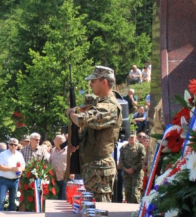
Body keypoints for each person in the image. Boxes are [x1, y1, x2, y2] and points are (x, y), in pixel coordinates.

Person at [66, 66, 122, 202]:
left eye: (93, 81)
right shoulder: (101, 104)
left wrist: (70, 113)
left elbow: (81, 119)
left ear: (104, 82)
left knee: (99, 210)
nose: (90, 84)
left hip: (99, 168)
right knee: (91, 212)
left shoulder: (110, 106)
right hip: (94, 167)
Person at [0, 138, 25, 217]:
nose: (13, 146)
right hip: (4, 180)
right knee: (1, 200)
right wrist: (12, 168)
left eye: (15, 145)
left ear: (17, 145)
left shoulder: (19, 154)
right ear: (8, 145)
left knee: (12, 201)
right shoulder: (3, 154)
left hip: (15, 180)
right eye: (11, 144)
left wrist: (19, 169)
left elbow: (23, 167)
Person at [119, 134, 146, 203]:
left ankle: (136, 209)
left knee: (135, 192)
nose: (131, 140)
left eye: (132, 138)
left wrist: (133, 169)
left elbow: (142, 161)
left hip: (137, 173)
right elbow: (121, 161)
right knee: (128, 192)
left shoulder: (140, 147)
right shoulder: (123, 148)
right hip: (127, 174)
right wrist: (126, 169)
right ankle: (129, 210)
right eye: (130, 138)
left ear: (135, 138)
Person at [50, 135, 68, 200]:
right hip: (53, 179)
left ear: (60, 142)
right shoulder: (52, 150)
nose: (54, 141)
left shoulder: (68, 150)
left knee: (63, 198)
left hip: (64, 178)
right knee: (54, 199)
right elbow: (50, 161)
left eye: (55, 140)